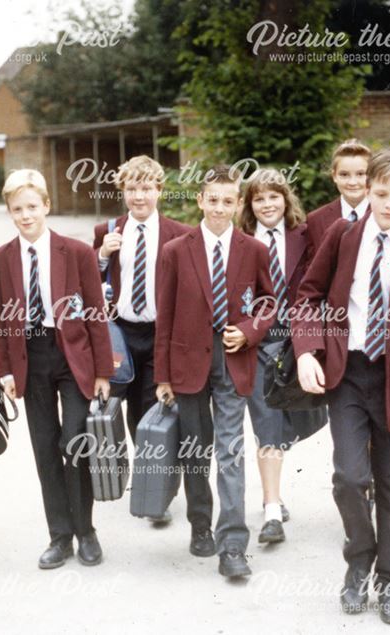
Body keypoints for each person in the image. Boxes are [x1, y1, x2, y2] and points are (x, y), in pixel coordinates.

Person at [294, 148, 390, 624]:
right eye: (380, 193)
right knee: (349, 476)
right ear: (368, 190)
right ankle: (357, 562)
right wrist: (305, 350)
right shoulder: (343, 236)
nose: (387, 204)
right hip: (348, 374)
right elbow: (309, 294)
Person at [154, 165, 276, 579]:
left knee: (230, 451)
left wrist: (247, 331)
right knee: (195, 449)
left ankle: (234, 544)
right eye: (213, 200)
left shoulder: (254, 249)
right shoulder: (175, 250)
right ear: (200, 200)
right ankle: (200, 524)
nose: (220, 208)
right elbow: (165, 315)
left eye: (229, 201)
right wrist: (163, 377)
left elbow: (267, 304)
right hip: (187, 364)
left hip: (233, 362)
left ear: (238, 203)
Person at [0, 169, 114, 570]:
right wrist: (5, 369)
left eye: (32, 207)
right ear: (9, 212)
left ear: (46, 205)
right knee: (45, 448)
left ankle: (87, 531)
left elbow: (96, 314)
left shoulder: (75, 253)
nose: (25, 215)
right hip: (30, 356)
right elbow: (1, 319)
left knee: (73, 443)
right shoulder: (1, 259)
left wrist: (102, 372)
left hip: (72, 357)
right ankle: (59, 536)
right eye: (17, 209)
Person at [92, 156, 190, 524]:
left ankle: (160, 492)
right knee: (132, 413)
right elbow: (88, 278)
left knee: (155, 408)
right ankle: (153, 478)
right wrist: (101, 255)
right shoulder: (108, 230)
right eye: (132, 189)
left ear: (159, 191)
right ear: (123, 191)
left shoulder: (179, 233)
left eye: (146, 188)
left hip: (160, 333)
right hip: (121, 333)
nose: (139, 196)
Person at [237, 168, 312, 544]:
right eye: (259, 198)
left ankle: (275, 487)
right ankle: (271, 509)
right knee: (267, 424)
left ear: (286, 199)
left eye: (274, 196)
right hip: (259, 343)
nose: (267, 204)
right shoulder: (242, 241)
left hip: (300, 342)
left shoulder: (304, 236)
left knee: (299, 422)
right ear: (250, 206)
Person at [306, 140, 372, 255]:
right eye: (344, 175)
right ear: (334, 176)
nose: (352, 182)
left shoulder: (385, 214)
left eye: (361, 174)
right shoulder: (316, 220)